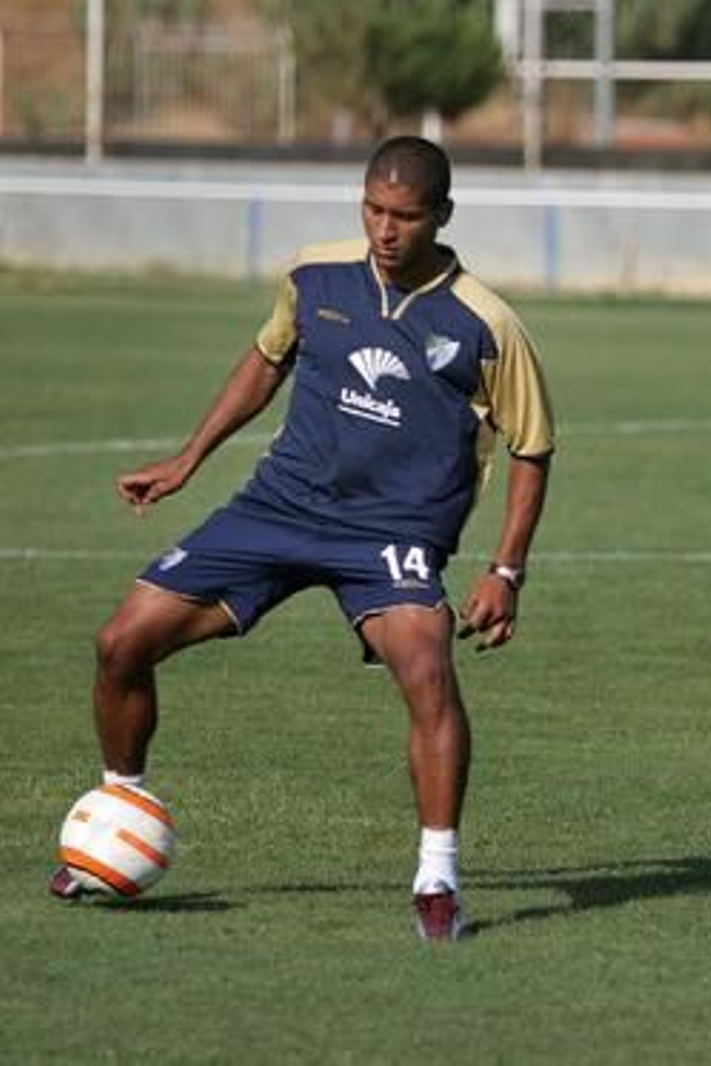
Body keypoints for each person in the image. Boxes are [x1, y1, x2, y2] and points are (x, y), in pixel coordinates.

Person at [50, 136, 555, 943]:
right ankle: (117, 814)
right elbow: (266, 358)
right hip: (279, 509)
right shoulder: (314, 276)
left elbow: (532, 447)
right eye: (373, 211)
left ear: (442, 217)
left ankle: (437, 881)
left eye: (405, 216)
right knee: (121, 643)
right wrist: (188, 459)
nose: (385, 231)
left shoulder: (487, 325)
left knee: (428, 670)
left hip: (393, 531)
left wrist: (506, 571)